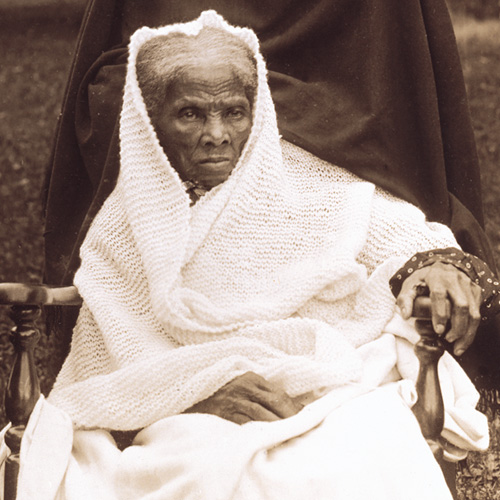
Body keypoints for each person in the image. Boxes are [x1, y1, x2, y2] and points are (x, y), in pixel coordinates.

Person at [9, 10, 499, 500]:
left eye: (234, 112)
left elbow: (398, 230)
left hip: (322, 387)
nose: (217, 134)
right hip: (188, 415)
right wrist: (194, 395)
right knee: (195, 468)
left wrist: (436, 263)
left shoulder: (300, 175)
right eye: (191, 114)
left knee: (361, 450)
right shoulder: (128, 220)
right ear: (152, 122)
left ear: (256, 110)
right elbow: (117, 355)